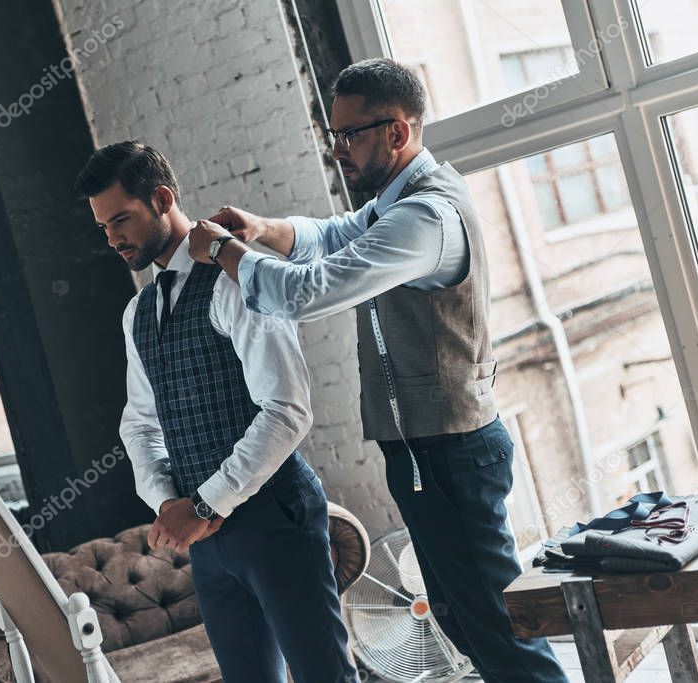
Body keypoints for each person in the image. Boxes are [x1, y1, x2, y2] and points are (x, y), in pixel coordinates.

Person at [187, 58, 569, 682]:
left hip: (452, 451)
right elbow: (337, 234)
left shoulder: (426, 217)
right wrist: (263, 229)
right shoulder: (398, 201)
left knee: (498, 631)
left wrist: (227, 251)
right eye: (333, 135)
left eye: (350, 135)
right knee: (461, 621)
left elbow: (307, 292)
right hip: (422, 452)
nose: (338, 151)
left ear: (398, 132)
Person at [76, 141, 358, 683]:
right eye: (103, 228)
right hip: (204, 540)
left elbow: (287, 410)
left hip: (276, 518)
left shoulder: (238, 280)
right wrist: (169, 507)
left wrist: (203, 505)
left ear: (161, 199)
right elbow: (138, 425)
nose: (112, 238)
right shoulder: (138, 312)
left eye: (122, 220)